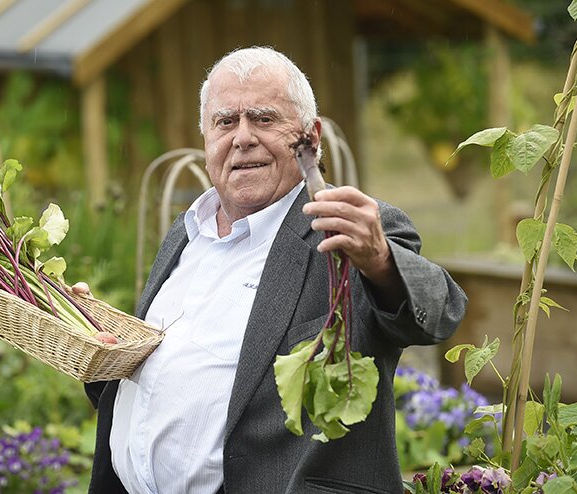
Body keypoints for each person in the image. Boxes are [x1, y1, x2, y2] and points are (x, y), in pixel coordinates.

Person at [79, 46, 468, 494]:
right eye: (225, 122)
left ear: (311, 137)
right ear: (205, 136)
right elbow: (176, 376)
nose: (242, 137)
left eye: (263, 119)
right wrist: (106, 351)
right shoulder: (186, 234)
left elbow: (440, 312)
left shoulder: (340, 232)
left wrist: (379, 256)